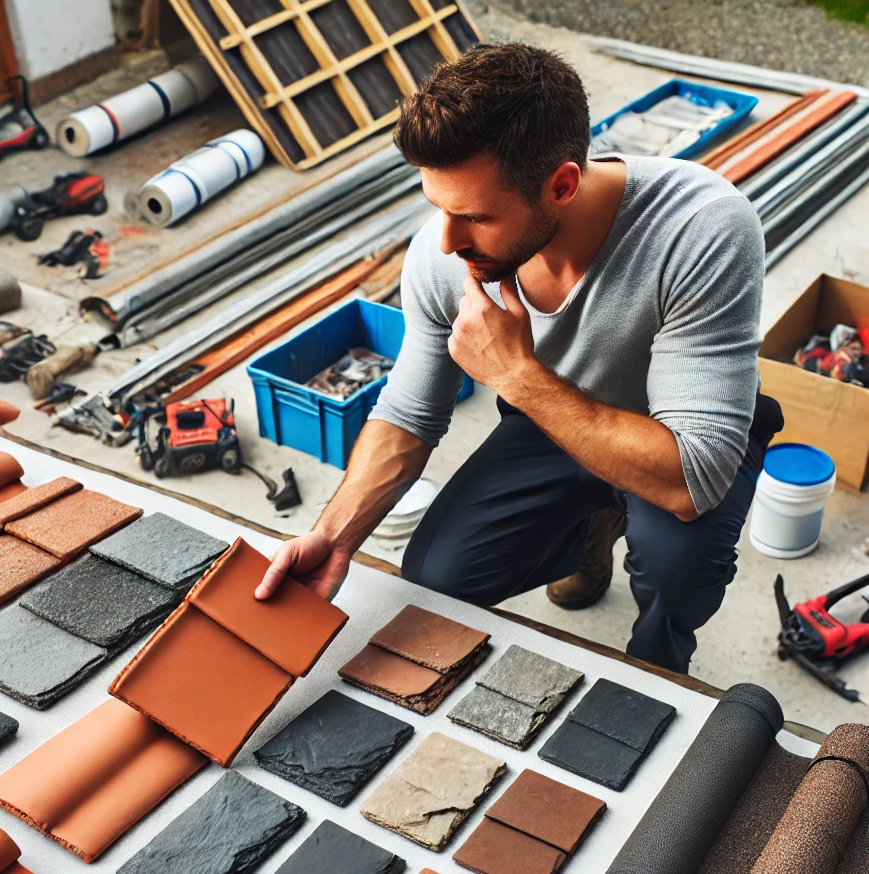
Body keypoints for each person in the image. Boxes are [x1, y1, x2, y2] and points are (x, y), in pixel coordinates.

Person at [255, 42, 781, 675]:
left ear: (561, 184)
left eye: (475, 216)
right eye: (438, 207)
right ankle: (594, 533)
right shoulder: (443, 253)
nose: (447, 242)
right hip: (551, 418)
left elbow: (693, 479)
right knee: (433, 576)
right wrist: (335, 537)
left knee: (674, 575)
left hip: (678, 437)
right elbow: (409, 411)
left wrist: (514, 375)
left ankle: (659, 667)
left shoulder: (702, 227)